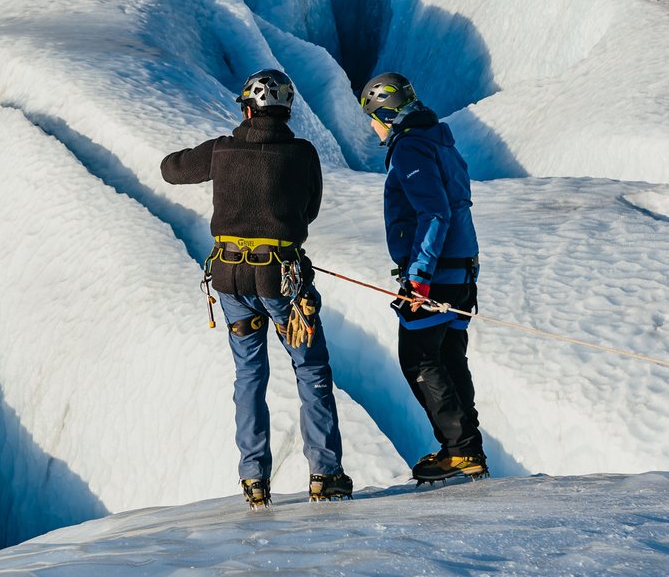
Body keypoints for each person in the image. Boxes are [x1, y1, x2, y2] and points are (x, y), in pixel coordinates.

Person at [162, 68, 351, 508]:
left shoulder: (222, 151)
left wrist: (215, 158)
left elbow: (172, 170)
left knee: (250, 373)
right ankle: (325, 474)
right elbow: (312, 210)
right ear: (285, 111)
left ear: (247, 109)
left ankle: (254, 479)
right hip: (282, 278)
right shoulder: (302, 154)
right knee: (310, 368)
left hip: (230, 280)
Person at [359, 71, 488, 483]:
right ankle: (467, 447)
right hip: (461, 268)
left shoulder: (411, 147)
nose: (373, 127)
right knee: (450, 356)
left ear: (386, 113)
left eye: (373, 117)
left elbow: (434, 212)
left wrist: (418, 276)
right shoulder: (438, 140)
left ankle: (460, 449)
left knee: (418, 357)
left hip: (438, 273)